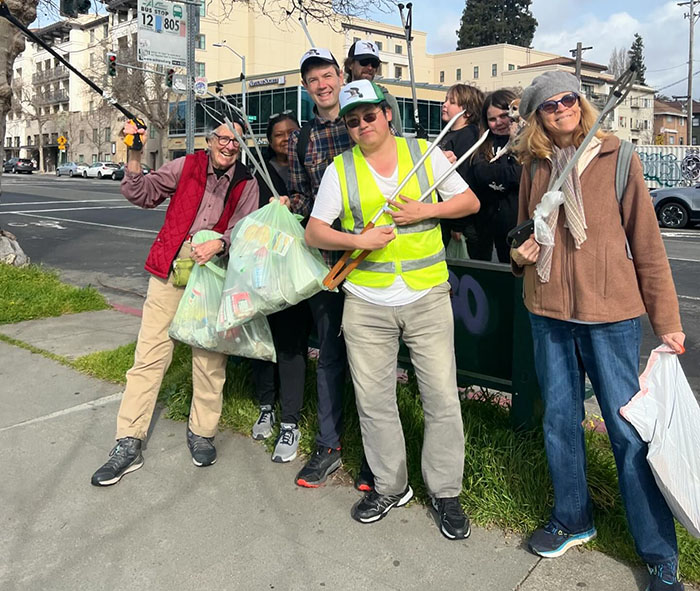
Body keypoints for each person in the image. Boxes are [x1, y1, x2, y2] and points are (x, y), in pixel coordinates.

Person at [511, 71, 686, 591]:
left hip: (611, 317)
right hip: (548, 314)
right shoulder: (534, 166)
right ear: (538, 117)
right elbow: (524, 233)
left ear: (580, 104)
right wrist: (519, 256)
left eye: (568, 100)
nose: (561, 109)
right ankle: (573, 517)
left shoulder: (619, 157)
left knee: (628, 433)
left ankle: (658, 553)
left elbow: (648, 246)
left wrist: (668, 323)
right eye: (549, 105)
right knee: (560, 423)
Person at [305, 79, 480, 538]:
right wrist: (356, 240)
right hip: (366, 304)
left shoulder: (424, 153)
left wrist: (426, 210)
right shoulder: (339, 170)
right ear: (346, 126)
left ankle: (445, 493)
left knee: (441, 398)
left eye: (369, 114)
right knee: (374, 402)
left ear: (386, 113)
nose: (363, 124)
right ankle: (389, 484)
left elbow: (469, 201)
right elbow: (315, 231)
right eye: (353, 119)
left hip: (426, 297)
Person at [91, 118, 259, 486]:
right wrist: (134, 153)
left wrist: (222, 242)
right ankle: (128, 442)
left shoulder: (247, 182)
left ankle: (202, 431)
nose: (228, 146)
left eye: (236, 142)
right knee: (150, 356)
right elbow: (142, 193)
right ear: (210, 140)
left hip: (213, 273)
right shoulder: (187, 166)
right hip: (170, 269)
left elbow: (246, 229)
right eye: (223, 139)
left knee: (210, 360)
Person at [287, 47, 376, 491]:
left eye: (327, 76)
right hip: (327, 266)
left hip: (373, 264)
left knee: (371, 362)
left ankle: (374, 456)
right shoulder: (301, 140)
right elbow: (303, 197)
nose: (322, 85)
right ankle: (328, 445)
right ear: (306, 88)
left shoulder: (364, 121)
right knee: (329, 357)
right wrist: (289, 203)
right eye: (313, 80)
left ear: (340, 76)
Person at [249, 112, 312, 463]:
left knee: (292, 343)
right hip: (267, 266)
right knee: (264, 339)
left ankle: (290, 419)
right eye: (278, 134)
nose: (286, 139)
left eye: (292, 133)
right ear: (269, 140)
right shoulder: (260, 173)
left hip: (302, 269)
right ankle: (264, 404)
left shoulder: (309, 168)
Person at [467, 89, 522, 263]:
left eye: (503, 116)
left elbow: (520, 175)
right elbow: (479, 173)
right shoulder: (482, 143)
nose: (499, 123)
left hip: (515, 226)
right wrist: (502, 176)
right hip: (485, 226)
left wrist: (492, 175)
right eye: (492, 119)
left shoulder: (525, 141)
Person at [437, 83, 484, 255]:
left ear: (467, 112)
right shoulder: (449, 134)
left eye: (451, 102)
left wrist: (458, 225)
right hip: (447, 215)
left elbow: (463, 177)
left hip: (460, 222)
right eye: (445, 100)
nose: (445, 104)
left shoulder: (468, 136)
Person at [344, 39, 403, 136]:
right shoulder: (341, 98)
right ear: (350, 64)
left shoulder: (388, 99)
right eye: (364, 62)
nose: (370, 67)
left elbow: (398, 138)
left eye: (374, 64)